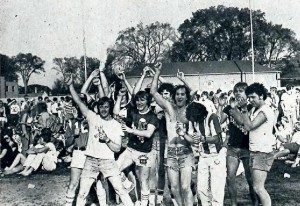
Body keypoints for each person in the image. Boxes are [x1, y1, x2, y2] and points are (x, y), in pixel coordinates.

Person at [66, 74, 134, 206]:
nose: (103, 109)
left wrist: (107, 140)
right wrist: (70, 86)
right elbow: (79, 102)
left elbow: (117, 148)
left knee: (120, 189)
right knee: (82, 193)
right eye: (101, 106)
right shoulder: (92, 117)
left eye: (106, 107)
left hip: (108, 161)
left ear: (110, 108)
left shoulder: (115, 124)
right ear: (98, 108)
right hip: (90, 160)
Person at [150, 63, 194, 206]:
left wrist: (183, 81)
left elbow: (193, 92)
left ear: (186, 97)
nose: (180, 97)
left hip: (185, 152)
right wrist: (157, 72)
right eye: (178, 94)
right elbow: (153, 92)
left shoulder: (189, 110)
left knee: (185, 187)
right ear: (174, 97)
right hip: (170, 153)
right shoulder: (169, 108)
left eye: (183, 94)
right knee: (174, 188)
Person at [218, 82, 258, 206]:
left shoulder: (251, 107)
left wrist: (235, 109)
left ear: (247, 94)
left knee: (251, 179)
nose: (237, 93)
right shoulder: (229, 107)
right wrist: (221, 106)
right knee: (230, 177)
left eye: (240, 91)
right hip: (233, 146)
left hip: (247, 147)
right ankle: (234, 204)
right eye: (235, 91)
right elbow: (220, 120)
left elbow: (242, 122)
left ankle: (255, 202)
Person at [117, 90, 159, 206]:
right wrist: (120, 96)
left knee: (144, 181)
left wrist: (131, 130)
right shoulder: (133, 112)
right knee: (114, 169)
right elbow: (116, 112)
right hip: (130, 150)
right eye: (137, 100)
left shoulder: (152, 117)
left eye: (142, 100)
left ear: (148, 102)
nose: (139, 102)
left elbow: (148, 133)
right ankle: (128, 184)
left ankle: (144, 203)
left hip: (144, 153)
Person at [240, 83, 276, 206]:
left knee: (259, 188)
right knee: (257, 187)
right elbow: (244, 123)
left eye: (253, 97)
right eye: (248, 97)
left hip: (263, 152)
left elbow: (249, 126)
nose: (250, 100)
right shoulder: (255, 109)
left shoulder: (265, 110)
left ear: (261, 96)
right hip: (255, 150)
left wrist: (244, 110)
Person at [186, 102, 226, 206]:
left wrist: (203, 139)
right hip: (203, 155)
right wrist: (183, 134)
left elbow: (217, 139)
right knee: (201, 189)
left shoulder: (212, 118)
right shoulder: (193, 119)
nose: (194, 121)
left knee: (216, 188)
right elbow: (192, 138)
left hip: (216, 156)